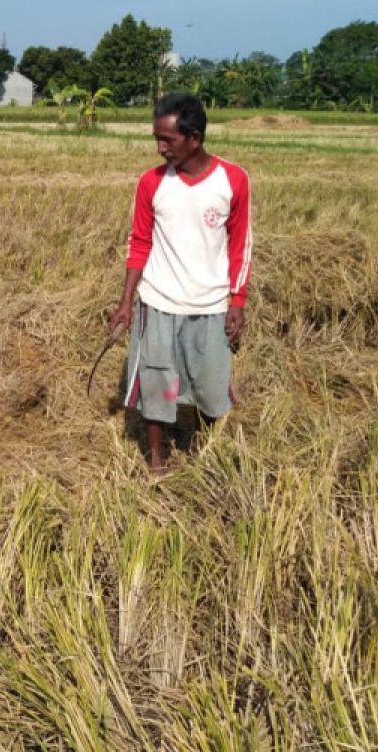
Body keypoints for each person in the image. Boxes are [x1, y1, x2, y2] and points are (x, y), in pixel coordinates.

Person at [108, 93, 253, 472]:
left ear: (195, 138)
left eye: (167, 140)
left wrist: (237, 302)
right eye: (156, 138)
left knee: (210, 388)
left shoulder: (232, 180)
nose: (160, 148)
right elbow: (139, 243)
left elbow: (241, 246)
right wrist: (126, 303)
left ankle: (205, 454)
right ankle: (156, 461)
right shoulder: (152, 184)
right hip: (157, 302)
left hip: (210, 306)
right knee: (156, 385)